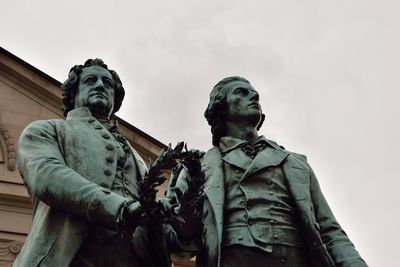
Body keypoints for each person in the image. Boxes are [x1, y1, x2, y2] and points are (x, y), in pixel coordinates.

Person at [170, 76, 367, 267]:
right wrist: (183, 217)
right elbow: (175, 241)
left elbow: (330, 231)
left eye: (255, 94)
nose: (254, 97)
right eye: (242, 93)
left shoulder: (295, 163)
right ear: (221, 107)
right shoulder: (198, 166)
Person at [14, 59, 170, 267]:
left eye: (107, 83)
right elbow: (47, 176)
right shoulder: (46, 130)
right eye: (90, 80)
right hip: (72, 257)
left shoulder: (138, 158)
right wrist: (118, 207)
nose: (100, 85)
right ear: (73, 92)